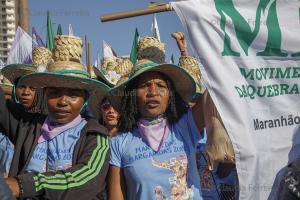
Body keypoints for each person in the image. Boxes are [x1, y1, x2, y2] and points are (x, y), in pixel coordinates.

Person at [0, 35, 110, 199]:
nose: (63, 101)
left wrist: (23, 185)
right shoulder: (27, 126)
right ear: (44, 94)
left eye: (73, 95)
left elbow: (86, 178)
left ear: (85, 100)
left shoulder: (95, 135)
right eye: (55, 93)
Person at [108, 34, 205, 199]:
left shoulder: (186, 126)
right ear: (133, 95)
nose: (153, 92)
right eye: (145, 86)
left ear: (170, 95)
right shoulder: (119, 143)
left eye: (160, 86)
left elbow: (215, 92)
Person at [1, 47, 53, 113]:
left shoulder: (47, 120)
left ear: (40, 92)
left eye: (32, 88)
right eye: (21, 87)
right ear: (15, 88)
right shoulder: (8, 116)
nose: (26, 92)